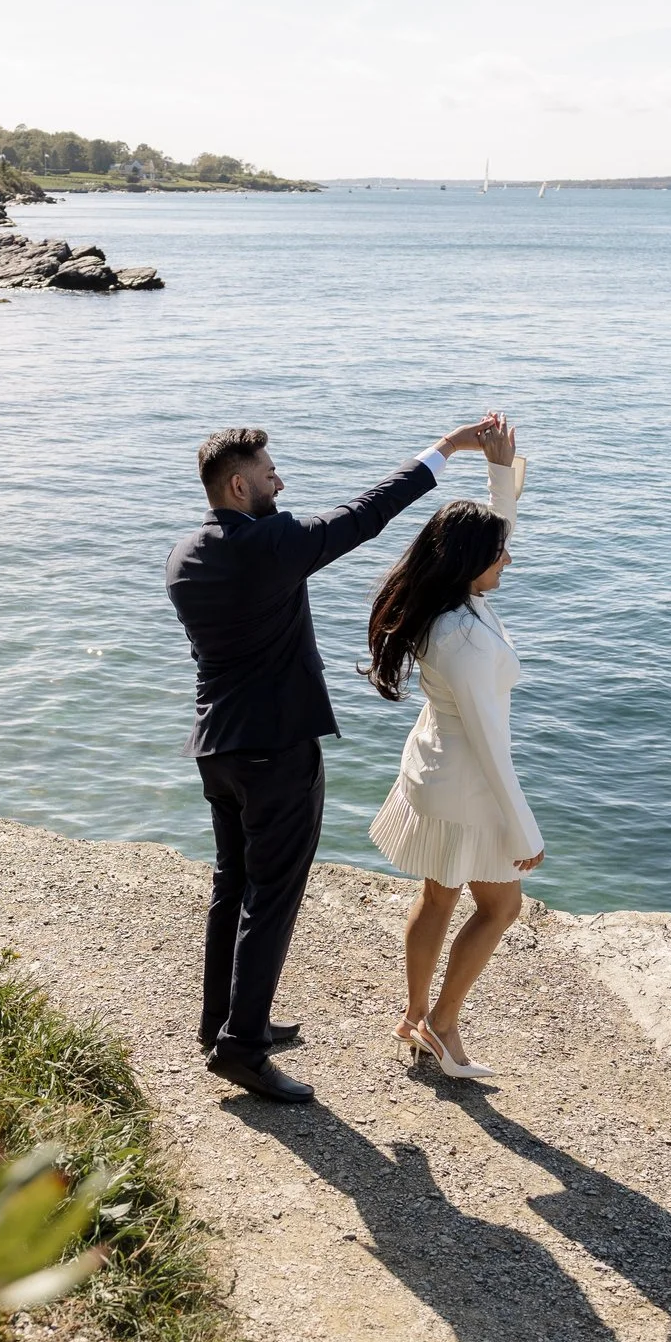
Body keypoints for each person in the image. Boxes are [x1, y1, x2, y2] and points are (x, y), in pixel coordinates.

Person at [167, 416, 498, 1104]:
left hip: (215, 748)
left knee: (233, 886)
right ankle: (244, 1048)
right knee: (271, 896)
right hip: (276, 750)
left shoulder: (185, 555)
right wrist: (446, 448)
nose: (279, 480)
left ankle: (221, 1022)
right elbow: (367, 513)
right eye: (267, 472)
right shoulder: (272, 545)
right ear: (237, 482)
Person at [363, 413, 540, 1080]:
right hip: (467, 783)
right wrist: (523, 827)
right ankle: (441, 1024)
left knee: (439, 896)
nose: (511, 558)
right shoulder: (463, 638)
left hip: (433, 770)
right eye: (501, 554)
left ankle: (415, 1017)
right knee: (501, 905)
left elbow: (499, 529)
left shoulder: (449, 599)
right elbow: (493, 748)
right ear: (473, 563)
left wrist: (498, 466)